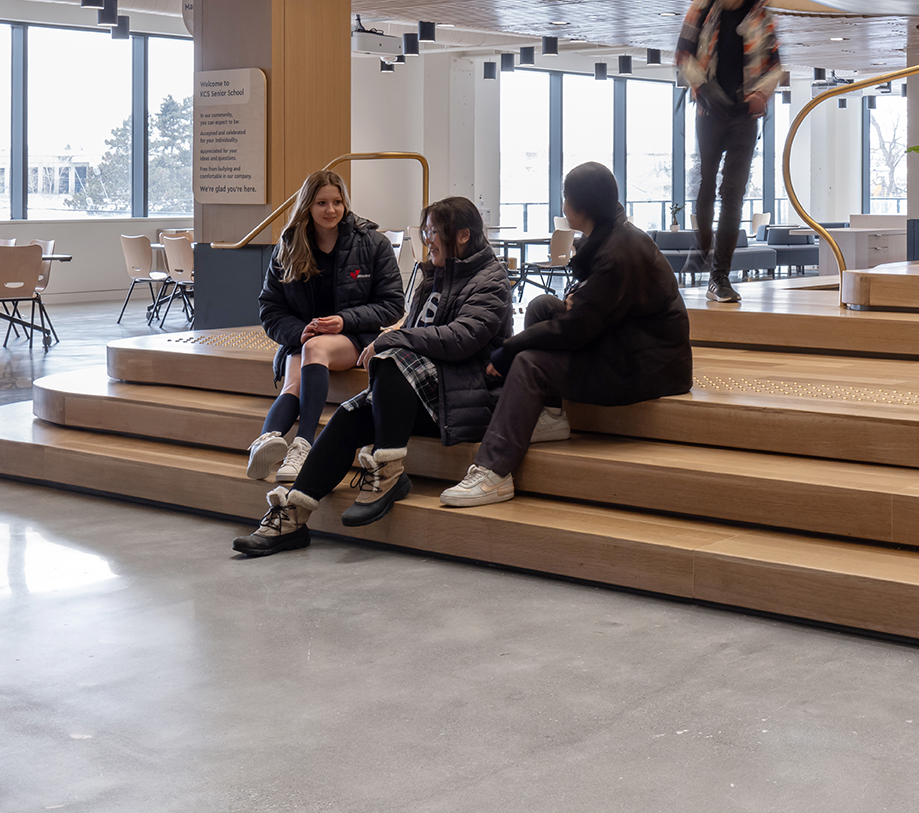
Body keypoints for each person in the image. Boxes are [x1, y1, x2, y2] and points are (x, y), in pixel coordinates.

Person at [234, 195, 514, 556]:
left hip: (466, 397)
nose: (426, 240)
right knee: (349, 415)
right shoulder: (436, 276)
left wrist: (392, 337)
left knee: (392, 357)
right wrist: (395, 340)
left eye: (432, 233)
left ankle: (389, 470)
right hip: (425, 390)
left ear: (461, 236)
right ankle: (292, 515)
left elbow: (462, 339)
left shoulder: (490, 280)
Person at [434, 162, 692, 509]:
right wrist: (582, 301)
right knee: (542, 305)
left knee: (529, 362)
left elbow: (574, 330)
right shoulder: (615, 234)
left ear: (578, 208)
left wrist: (508, 349)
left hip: (645, 366)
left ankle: (493, 471)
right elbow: (594, 309)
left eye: (565, 200)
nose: (562, 207)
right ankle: (552, 417)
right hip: (629, 344)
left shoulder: (619, 252)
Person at [244, 170, 405, 485]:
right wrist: (298, 331)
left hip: (353, 337)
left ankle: (303, 445)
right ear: (308, 206)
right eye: (321, 203)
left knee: (315, 348)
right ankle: (267, 440)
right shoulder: (289, 245)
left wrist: (345, 320)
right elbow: (271, 307)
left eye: (337, 202)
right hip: (304, 340)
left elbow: (392, 305)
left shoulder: (373, 243)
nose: (331, 210)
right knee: (293, 383)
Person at [674, 0, 784, 304]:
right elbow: (684, 54)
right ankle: (702, 244)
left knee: (733, 193)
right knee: (707, 180)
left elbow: (775, 64)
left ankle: (719, 276)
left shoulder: (760, 12)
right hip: (709, 107)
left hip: (743, 112)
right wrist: (702, 89)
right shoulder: (705, 5)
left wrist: (762, 94)